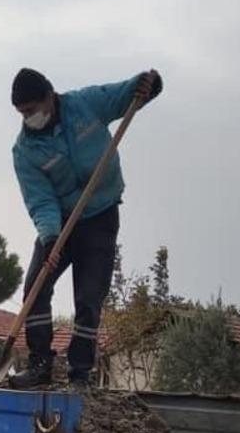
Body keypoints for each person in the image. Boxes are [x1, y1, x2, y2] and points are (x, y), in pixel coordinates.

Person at [9, 66, 162, 388]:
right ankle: (40, 364)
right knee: (36, 288)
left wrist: (147, 85)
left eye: (32, 110)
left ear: (49, 97)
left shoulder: (85, 105)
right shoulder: (25, 151)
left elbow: (125, 95)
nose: (28, 118)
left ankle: (80, 372)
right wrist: (51, 240)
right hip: (61, 221)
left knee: (90, 296)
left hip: (101, 215)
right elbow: (40, 199)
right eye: (22, 113)